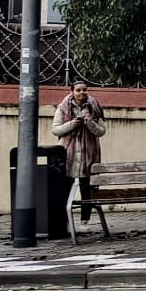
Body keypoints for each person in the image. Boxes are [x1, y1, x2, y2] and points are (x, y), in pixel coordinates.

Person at [51, 79, 107, 222]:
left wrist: (90, 123)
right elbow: (55, 129)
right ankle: (64, 221)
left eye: (84, 90)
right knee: (65, 187)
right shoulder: (63, 107)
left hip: (89, 152)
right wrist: (71, 124)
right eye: (78, 90)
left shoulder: (94, 107)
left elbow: (101, 131)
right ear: (72, 92)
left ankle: (85, 220)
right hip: (69, 152)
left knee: (86, 187)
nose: (82, 93)